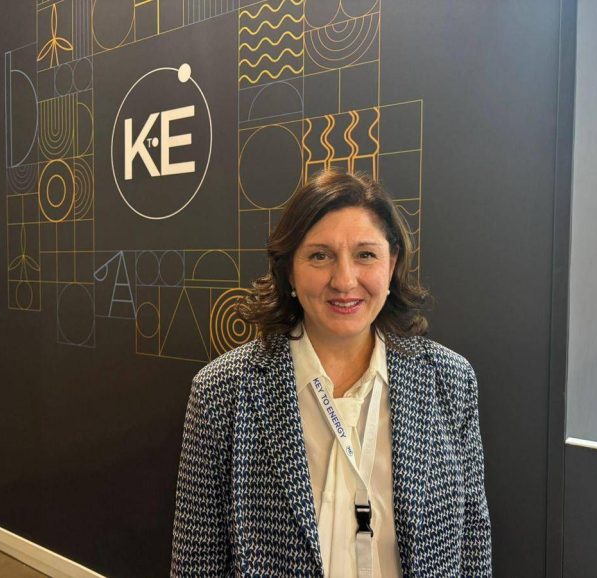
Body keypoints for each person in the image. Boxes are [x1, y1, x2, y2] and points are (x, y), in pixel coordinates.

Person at [171, 170, 492, 577]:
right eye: (320, 256)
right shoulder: (222, 391)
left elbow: (472, 543)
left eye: (365, 255)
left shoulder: (450, 379)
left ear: (392, 263)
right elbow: (197, 563)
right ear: (290, 270)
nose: (344, 281)